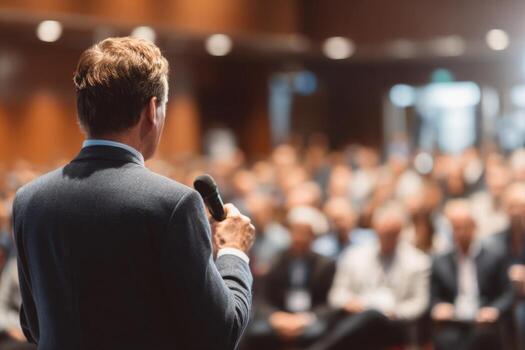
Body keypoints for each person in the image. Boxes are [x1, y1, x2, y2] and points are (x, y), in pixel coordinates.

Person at [12, 37, 255, 350]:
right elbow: (221, 334)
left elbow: (32, 325)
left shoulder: (29, 199)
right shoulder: (173, 205)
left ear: (82, 112)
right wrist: (233, 251)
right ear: (152, 110)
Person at [308, 202, 430, 350]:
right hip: (357, 317)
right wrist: (350, 303)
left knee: (373, 314)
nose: (387, 238)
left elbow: (419, 303)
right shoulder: (354, 255)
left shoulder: (417, 261)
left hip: (394, 323)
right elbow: (336, 295)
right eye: (384, 233)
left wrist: (395, 312)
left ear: (400, 232)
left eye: (392, 234)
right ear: (375, 229)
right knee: (362, 318)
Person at [246, 206, 334, 350]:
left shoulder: (325, 265)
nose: (299, 238)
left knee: (320, 336)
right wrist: (275, 316)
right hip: (280, 315)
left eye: (304, 233)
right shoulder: (277, 259)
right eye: (295, 231)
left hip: (309, 317)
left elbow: (328, 302)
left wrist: (305, 319)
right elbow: (263, 297)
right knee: (256, 333)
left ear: (313, 236)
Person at [431, 200, 513, 350]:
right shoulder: (440, 260)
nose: (461, 233)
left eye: (465, 227)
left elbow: (507, 293)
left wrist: (494, 309)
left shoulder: (494, 256)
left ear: (475, 227)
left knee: (483, 337)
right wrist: (438, 306)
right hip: (454, 320)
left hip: (482, 318)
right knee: (444, 339)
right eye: (456, 228)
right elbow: (434, 296)